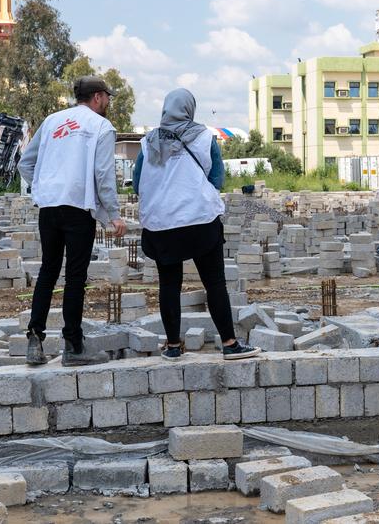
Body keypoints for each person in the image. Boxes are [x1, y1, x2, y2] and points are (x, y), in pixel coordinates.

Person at [133, 88, 260, 361]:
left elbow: (137, 183)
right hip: (200, 220)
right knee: (214, 282)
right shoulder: (204, 136)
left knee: (169, 285)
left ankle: (173, 346)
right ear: (190, 109)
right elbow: (216, 178)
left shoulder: (147, 142)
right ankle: (229, 343)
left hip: (161, 225)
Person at [19, 76, 127, 367]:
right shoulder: (101, 127)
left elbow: (24, 163)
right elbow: (103, 176)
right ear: (97, 97)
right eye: (107, 97)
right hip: (78, 208)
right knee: (75, 276)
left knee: (48, 271)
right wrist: (112, 216)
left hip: (49, 207)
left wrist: (44, 187)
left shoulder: (52, 121)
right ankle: (73, 346)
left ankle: (35, 340)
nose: (107, 102)